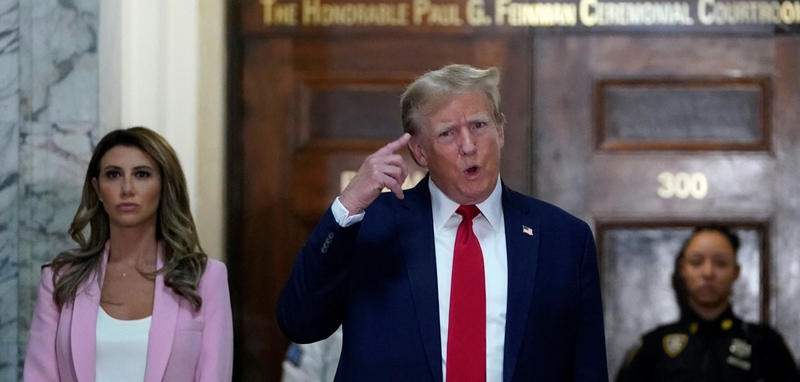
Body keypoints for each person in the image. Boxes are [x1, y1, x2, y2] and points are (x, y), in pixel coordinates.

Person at [277, 64, 608, 381]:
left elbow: (588, 369)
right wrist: (348, 205)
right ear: (420, 152)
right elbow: (300, 321)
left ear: (500, 133)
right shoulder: (370, 227)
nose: (468, 146)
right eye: (448, 133)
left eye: (479, 126)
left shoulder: (564, 239)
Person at [24, 127, 233, 382]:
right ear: (97, 188)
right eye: (113, 175)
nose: (127, 188)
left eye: (142, 174)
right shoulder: (61, 279)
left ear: (164, 185)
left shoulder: (206, 278)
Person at [616, 225, 800, 382]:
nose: (708, 272)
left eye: (720, 263)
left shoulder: (765, 344)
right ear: (683, 270)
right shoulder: (653, 347)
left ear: (736, 272)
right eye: (696, 262)